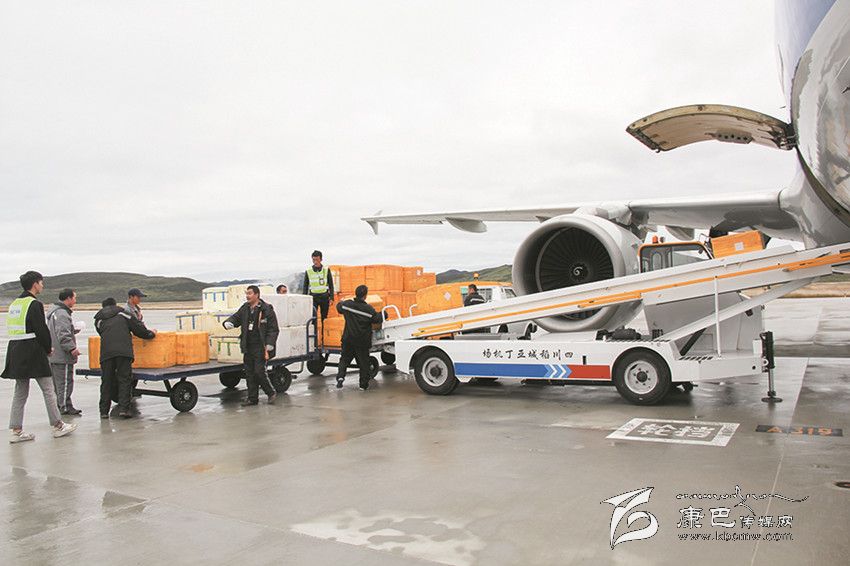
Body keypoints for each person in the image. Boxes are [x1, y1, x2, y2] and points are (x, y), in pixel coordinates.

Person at [3, 271, 77, 442]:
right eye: (41, 283)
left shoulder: (15, 304)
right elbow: (41, 329)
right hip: (33, 350)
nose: (42, 286)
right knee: (48, 389)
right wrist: (48, 348)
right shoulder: (34, 304)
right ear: (35, 284)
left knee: (20, 392)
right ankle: (58, 425)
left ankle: (16, 430)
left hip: (16, 350)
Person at [95, 296, 156, 418]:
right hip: (123, 351)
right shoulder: (124, 314)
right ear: (115, 304)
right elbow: (138, 329)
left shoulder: (98, 319)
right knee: (124, 379)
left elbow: (101, 332)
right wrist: (151, 334)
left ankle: (103, 412)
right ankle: (124, 409)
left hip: (106, 353)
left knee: (106, 381)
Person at [223, 285, 280, 406]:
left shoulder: (266, 309)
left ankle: (271, 392)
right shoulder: (245, 308)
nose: (247, 296)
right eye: (246, 293)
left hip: (260, 346)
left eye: (249, 293)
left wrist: (270, 343)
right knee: (249, 373)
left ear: (257, 295)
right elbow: (236, 317)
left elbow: (273, 329)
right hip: (248, 345)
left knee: (259, 371)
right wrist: (228, 322)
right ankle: (252, 398)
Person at [335, 284, 382, 390]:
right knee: (363, 363)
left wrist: (342, 301)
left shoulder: (347, 305)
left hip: (348, 339)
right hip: (362, 341)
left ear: (355, 294)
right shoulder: (368, 309)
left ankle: (340, 377)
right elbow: (377, 319)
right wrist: (385, 314)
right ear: (365, 296)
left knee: (344, 360)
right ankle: (363, 385)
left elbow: (339, 307)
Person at [46, 288, 82, 415]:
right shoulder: (62, 314)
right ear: (68, 298)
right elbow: (63, 334)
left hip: (54, 354)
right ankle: (65, 406)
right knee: (65, 382)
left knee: (57, 383)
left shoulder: (54, 313)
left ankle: (60, 404)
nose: (75, 301)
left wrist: (73, 330)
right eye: (74, 298)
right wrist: (72, 348)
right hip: (62, 355)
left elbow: (57, 331)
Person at [302, 250, 334, 320]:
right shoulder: (308, 271)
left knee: (324, 317)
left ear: (321, 259)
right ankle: (314, 327)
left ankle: (323, 327)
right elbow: (305, 286)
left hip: (324, 296)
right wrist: (304, 298)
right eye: (313, 260)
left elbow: (331, 284)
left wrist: (332, 298)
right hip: (313, 297)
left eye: (317, 260)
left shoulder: (326, 270)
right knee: (313, 317)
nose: (315, 262)